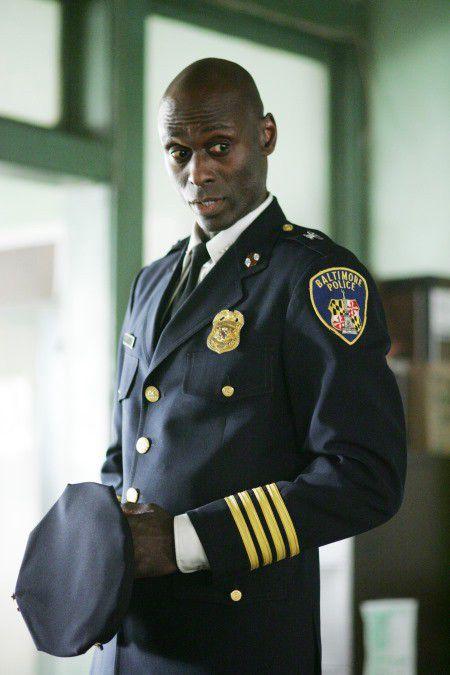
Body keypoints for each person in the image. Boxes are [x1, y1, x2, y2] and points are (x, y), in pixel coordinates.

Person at [90, 57, 406, 674]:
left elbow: (366, 476)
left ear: (266, 135)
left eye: (218, 146)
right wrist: (88, 546)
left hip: (238, 645)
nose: (197, 172)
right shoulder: (151, 283)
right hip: (128, 644)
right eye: (178, 152)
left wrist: (184, 541)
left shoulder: (315, 278)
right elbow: (126, 458)